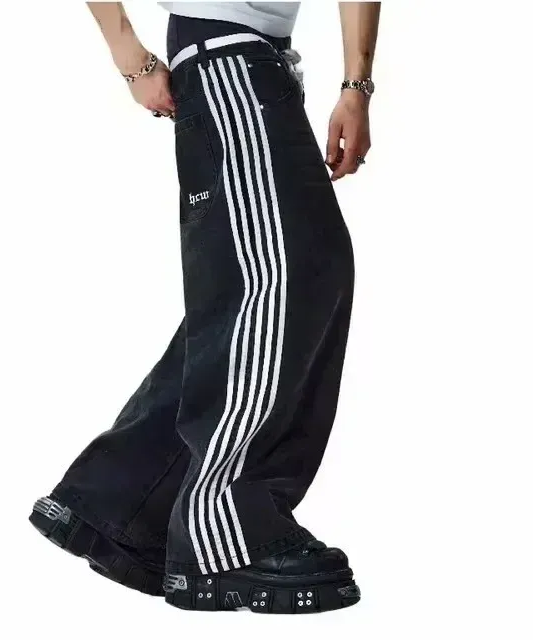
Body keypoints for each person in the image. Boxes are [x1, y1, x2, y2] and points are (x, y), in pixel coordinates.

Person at [29, 1, 380, 615]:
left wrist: (357, 86)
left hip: (257, 66)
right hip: (225, 58)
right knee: (280, 277)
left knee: (267, 279)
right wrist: (131, 57)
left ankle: (126, 504)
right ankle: (225, 531)